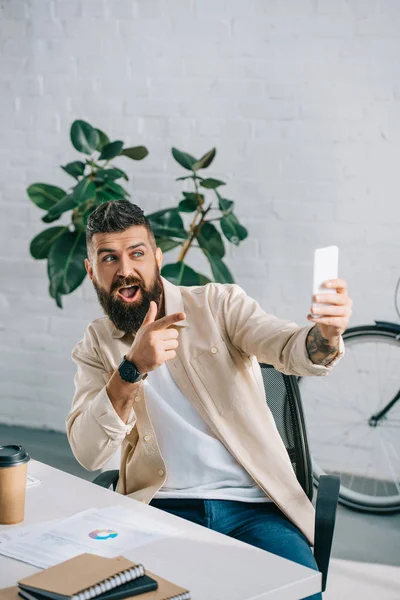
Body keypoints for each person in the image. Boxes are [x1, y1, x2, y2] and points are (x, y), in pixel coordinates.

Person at [67, 200, 352, 600]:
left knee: (299, 594)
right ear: (91, 270)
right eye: (108, 258)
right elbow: (89, 453)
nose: (125, 269)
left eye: (137, 254)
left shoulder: (219, 304)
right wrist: (131, 370)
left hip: (253, 507)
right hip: (159, 511)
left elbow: (288, 346)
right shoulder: (96, 344)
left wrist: (325, 334)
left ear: (158, 258)